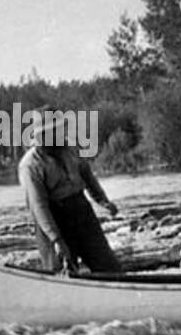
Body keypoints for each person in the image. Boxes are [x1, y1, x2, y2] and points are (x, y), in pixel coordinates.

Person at [17, 108, 123, 274]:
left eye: (61, 129)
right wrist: (57, 240)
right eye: (55, 131)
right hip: (53, 219)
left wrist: (103, 201)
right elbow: (39, 207)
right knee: (62, 274)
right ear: (42, 135)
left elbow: (87, 176)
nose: (61, 134)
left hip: (81, 211)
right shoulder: (30, 165)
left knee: (109, 267)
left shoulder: (70, 148)